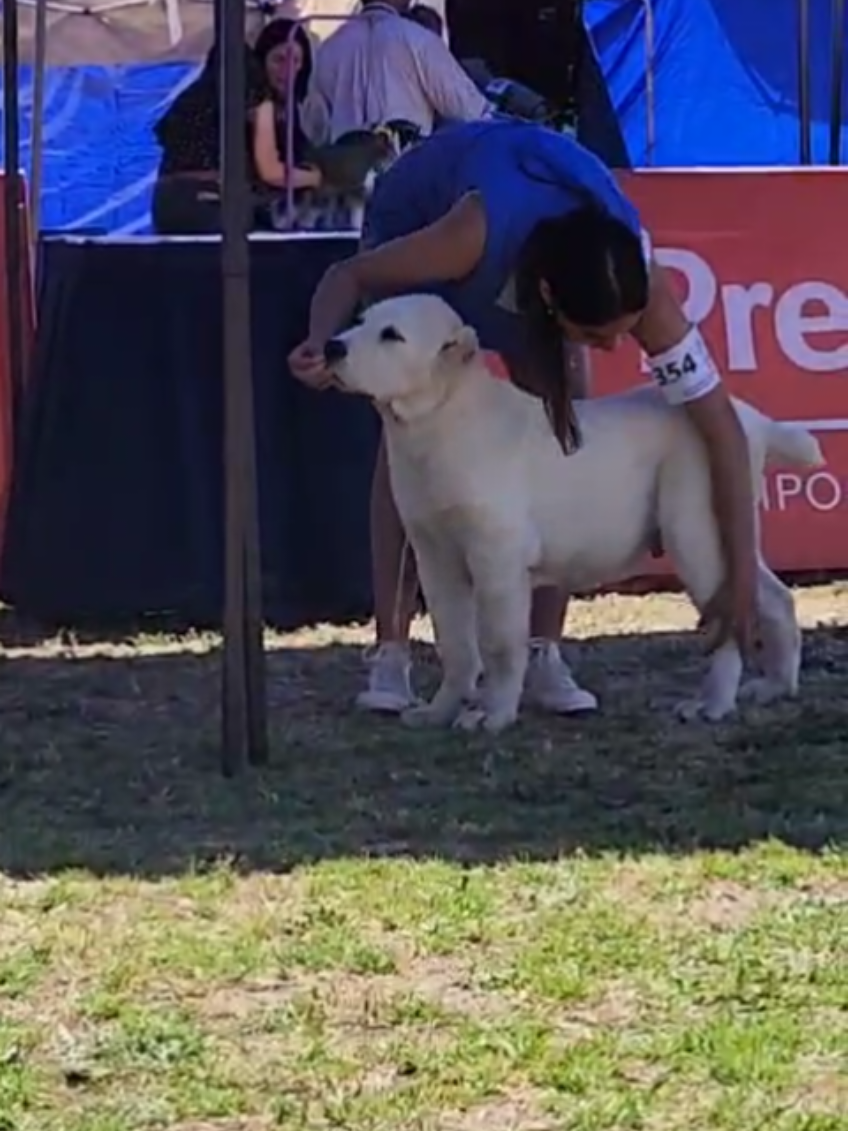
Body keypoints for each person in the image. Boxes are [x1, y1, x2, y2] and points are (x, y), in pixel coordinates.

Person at [288, 120, 757, 716]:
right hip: (429, 216)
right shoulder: (468, 237)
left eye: (619, 334)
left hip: (536, 226)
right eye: (594, 336)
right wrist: (319, 339)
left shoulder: (639, 285)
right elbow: (346, 275)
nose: (615, 349)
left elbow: (721, 429)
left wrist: (740, 576)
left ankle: (543, 650)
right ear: (551, 303)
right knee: (409, 435)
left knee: (567, 436)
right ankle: (393, 651)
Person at [151, 42, 321, 235]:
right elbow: (271, 172)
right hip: (211, 203)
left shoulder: (190, 97)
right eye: (279, 60)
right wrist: (315, 178)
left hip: (165, 204)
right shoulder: (256, 93)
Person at [300, 0, 490, 146]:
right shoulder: (419, 40)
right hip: (408, 184)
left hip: (348, 188)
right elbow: (471, 111)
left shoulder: (329, 49)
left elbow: (314, 130)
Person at [252, 18, 314, 167]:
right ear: (261, 60)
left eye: (296, 60)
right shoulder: (253, 101)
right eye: (279, 60)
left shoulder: (291, 104)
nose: (287, 70)